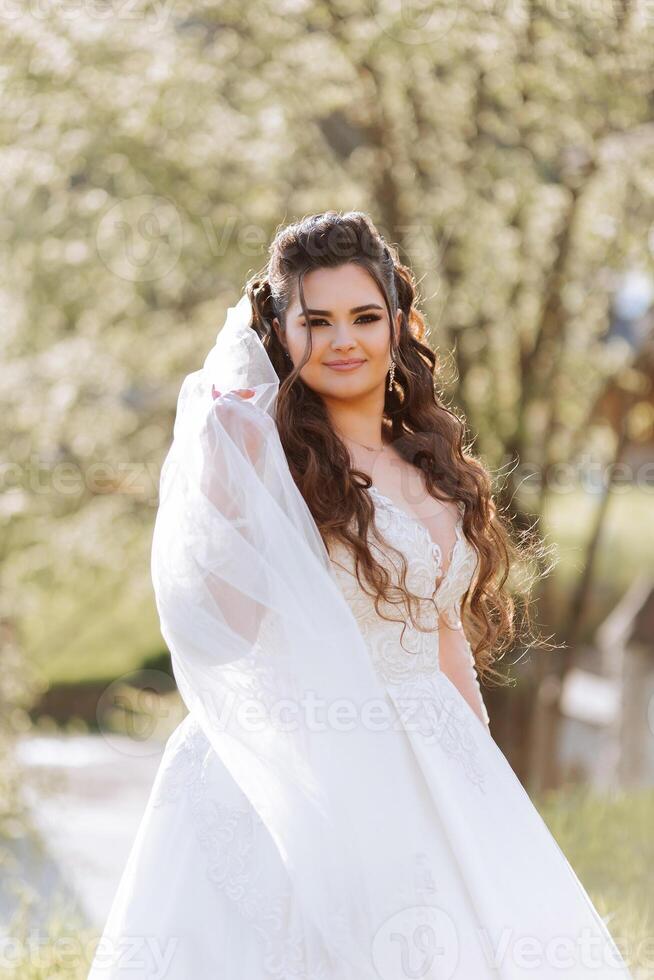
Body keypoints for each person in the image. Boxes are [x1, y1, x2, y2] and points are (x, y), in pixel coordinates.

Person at [88, 211, 633, 979]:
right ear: (280, 332)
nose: (343, 340)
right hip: (305, 752)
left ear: (398, 324)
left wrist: (477, 771)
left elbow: (441, 633)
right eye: (316, 321)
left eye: (364, 317)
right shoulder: (266, 457)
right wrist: (230, 484)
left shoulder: (435, 462)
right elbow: (227, 632)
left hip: (429, 753)